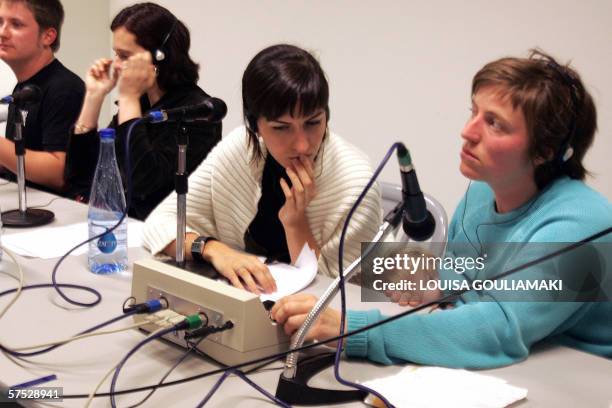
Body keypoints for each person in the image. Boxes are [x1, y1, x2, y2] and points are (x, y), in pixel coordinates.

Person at [271, 50, 612, 368]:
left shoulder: (584, 227)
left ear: (546, 151)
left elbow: (500, 328)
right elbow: (466, 273)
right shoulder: (483, 190)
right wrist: (436, 282)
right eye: (474, 112)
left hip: (581, 371)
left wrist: (350, 329)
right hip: (535, 361)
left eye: (494, 123)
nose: (468, 132)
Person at [143, 44, 383, 294]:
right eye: (281, 127)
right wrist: (215, 250)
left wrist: (295, 223)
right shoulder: (240, 148)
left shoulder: (356, 180)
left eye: (313, 122)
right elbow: (159, 223)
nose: (302, 144)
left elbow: (341, 293)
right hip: (249, 302)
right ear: (254, 125)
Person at [64, 2, 221, 220]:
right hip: (123, 226)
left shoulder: (198, 112)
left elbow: (143, 184)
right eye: (115, 54)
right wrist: (94, 97)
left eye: (125, 56)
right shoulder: (142, 105)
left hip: (166, 237)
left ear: (159, 56)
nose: (116, 65)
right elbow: (81, 177)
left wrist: (128, 98)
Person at [0, 0, 84, 192]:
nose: (3, 32)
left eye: (16, 24)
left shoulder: (65, 89)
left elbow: (58, 172)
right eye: (0, 22)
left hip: (56, 213)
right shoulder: (24, 88)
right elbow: (19, 161)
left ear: (48, 36)